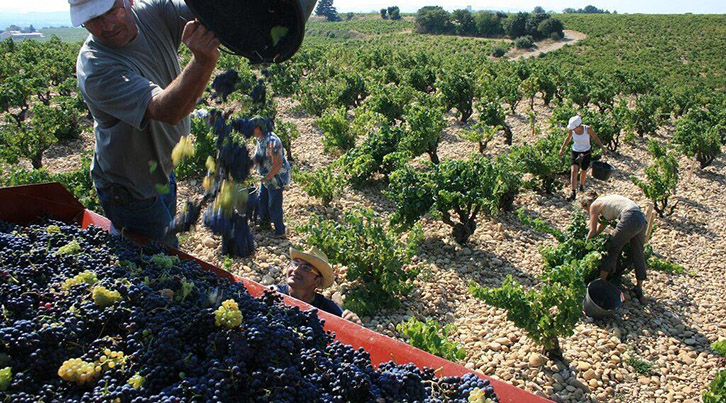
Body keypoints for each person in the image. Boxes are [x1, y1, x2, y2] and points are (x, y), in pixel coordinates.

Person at [72, 0, 220, 247]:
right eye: (93, 19)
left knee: (160, 247)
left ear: (129, 1)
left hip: (161, 170)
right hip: (130, 190)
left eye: (111, 11)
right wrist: (203, 62)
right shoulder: (96, 67)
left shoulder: (154, 12)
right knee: (159, 257)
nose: (107, 25)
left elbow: (209, 9)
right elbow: (167, 110)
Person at [580, 192, 648, 301]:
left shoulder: (594, 206)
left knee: (612, 248)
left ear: (587, 205)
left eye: (586, 211)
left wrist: (585, 243)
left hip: (629, 217)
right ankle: (639, 288)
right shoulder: (606, 203)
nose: (589, 213)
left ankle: (600, 283)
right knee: (637, 253)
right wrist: (595, 236)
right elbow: (600, 228)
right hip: (640, 218)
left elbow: (592, 231)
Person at [275, 247, 362, 324]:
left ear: (317, 280)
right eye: (296, 263)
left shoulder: (327, 309)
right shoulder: (274, 294)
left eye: (306, 268)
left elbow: (347, 326)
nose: (296, 270)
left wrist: (354, 323)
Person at [252, 117, 290, 239]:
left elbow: (278, 164)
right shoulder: (260, 139)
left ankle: (280, 231)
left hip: (276, 177)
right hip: (266, 175)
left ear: (258, 129)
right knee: (262, 199)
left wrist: (268, 177)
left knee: (274, 204)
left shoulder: (272, 142)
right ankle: (265, 223)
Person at [559, 115, 607, 201]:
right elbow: (568, 138)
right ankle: (573, 192)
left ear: (578, 126)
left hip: (586, 152)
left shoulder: (587, 129)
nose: (572, 129)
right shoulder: (572, 131)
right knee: (574, 170)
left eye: (574, 128)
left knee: (583, 170)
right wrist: (562, 148)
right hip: (575, 151)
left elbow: (595, 137)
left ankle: (581, 185)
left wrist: (602, 147)